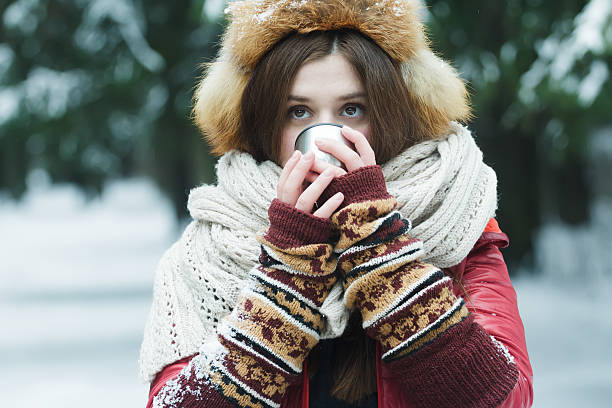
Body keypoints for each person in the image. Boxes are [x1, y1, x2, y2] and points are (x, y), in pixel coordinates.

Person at [139, 1, 533, 407]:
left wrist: (384, 257)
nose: (326, 138)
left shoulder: (456, 226)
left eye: (352, 110)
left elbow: (506, 399)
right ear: (264, 124)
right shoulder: (207, 254)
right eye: (298, 112)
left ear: (391, 114)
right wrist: (284, 285)